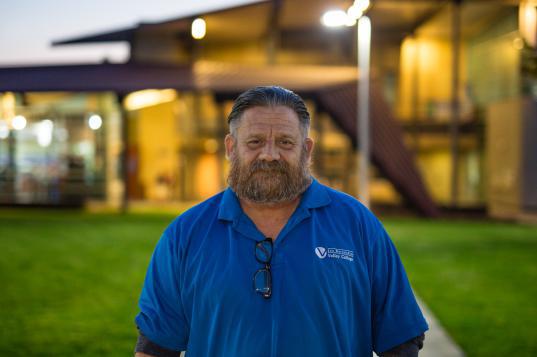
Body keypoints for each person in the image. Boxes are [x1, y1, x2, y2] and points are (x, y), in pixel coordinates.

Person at [134, 86, 428, 357]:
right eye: (255, 141)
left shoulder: (358, 225)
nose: (270, 154)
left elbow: (400, 341)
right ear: (231, 147)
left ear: (307, 149)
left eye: (286, 142)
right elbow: (155, 347)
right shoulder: (184, 235)